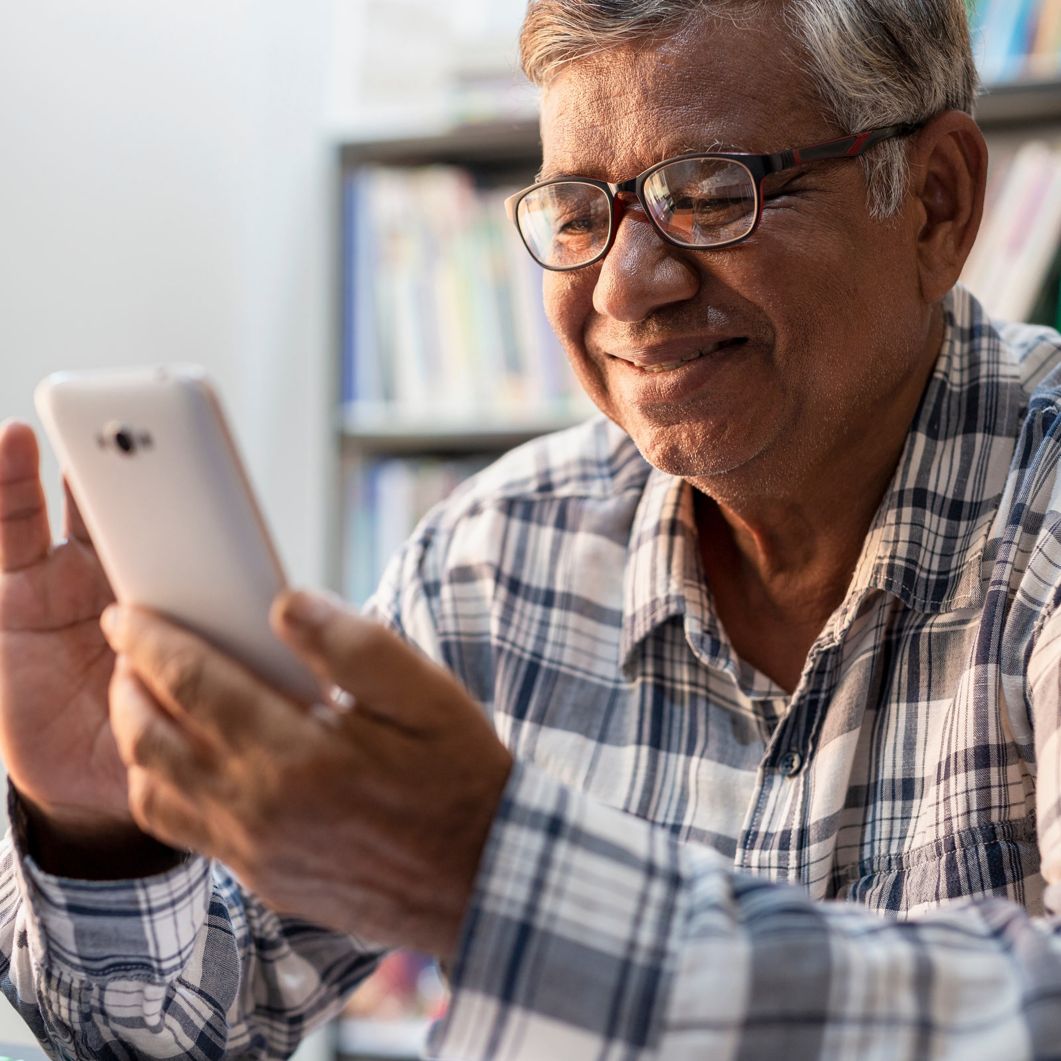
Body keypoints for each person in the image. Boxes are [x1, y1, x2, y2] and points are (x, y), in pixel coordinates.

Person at [2, 0, 1061, 1057]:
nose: (622, 285)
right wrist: (97, 821)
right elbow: (175, 1028)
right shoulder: (492, 557)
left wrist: (483, 874)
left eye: (705, 194)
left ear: (934, 203)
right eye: (575, 213)